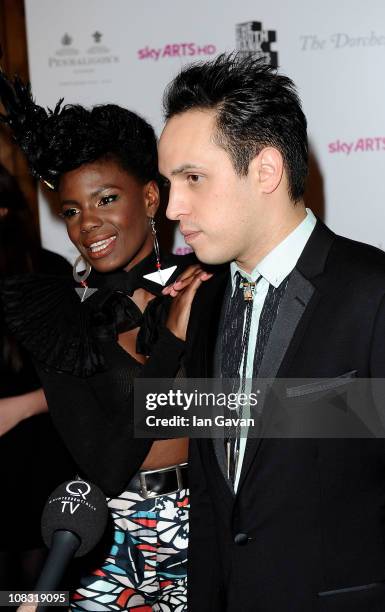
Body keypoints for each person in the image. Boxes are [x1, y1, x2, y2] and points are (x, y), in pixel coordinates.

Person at [158, 53, 385, 611]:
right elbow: (215, 489)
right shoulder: (208, 299)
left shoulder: (373, 292)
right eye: (169, 182)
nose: (172, 207)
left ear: (265, 170)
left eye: (192, 179)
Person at [0, 74, 211, 611]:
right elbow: (109, 462)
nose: (87, 224)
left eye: (106, 198)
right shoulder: (60, 322)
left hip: (216, 523)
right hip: (111, 542)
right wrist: (169, 347)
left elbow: (259, 411)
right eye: (71, 210)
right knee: (23, 601)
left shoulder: (211, 283)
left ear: (149, 196)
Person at [0, 162, 75, 597]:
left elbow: (82, 382)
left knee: (38, 597)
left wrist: (20, 407)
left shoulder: (47, 273)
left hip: (36, 466)